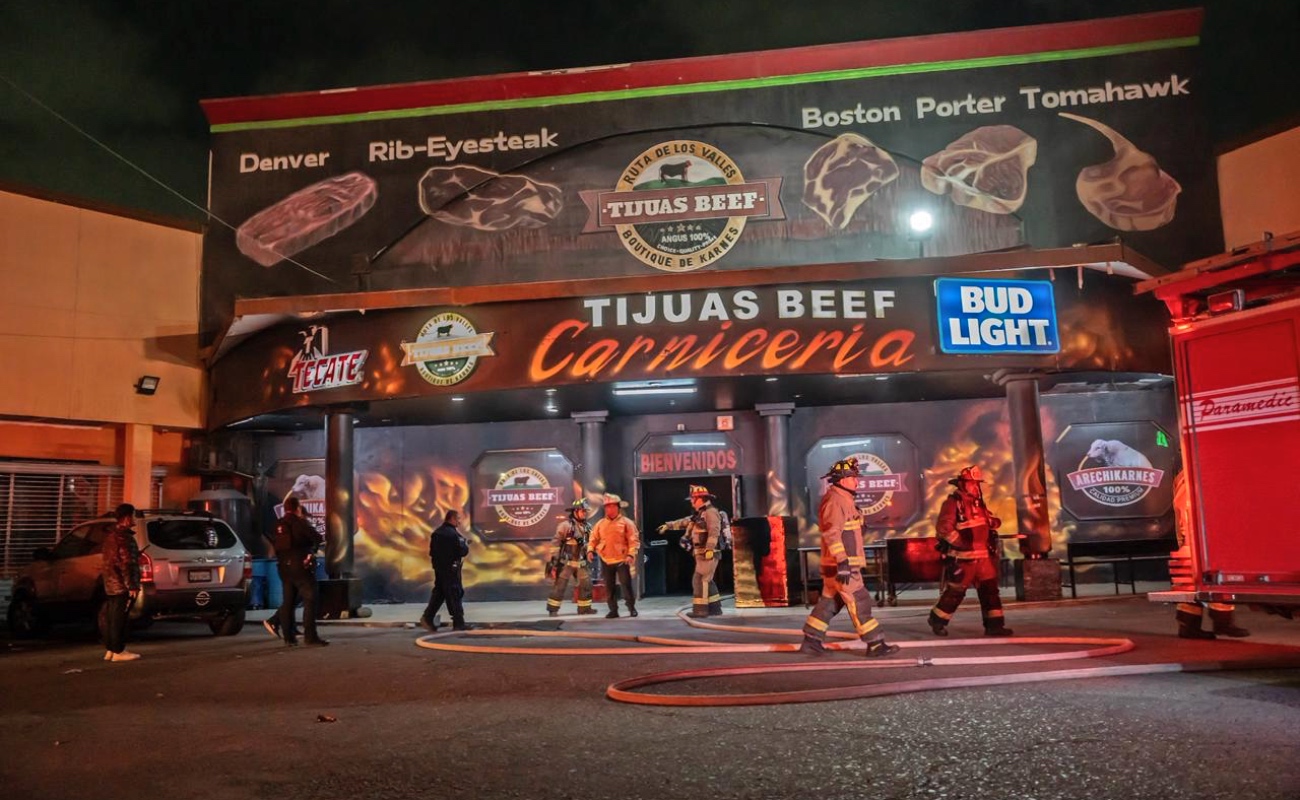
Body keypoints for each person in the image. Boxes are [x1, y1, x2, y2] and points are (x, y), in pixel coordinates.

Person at [800, 458, 900, 658]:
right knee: (860, 600)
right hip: (843, 566)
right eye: (854, 478)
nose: (857, 482)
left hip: (837, 565)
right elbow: (832, 534)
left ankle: (811, 640)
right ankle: (875, 643)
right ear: (843, 480)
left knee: (831, 601)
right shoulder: (836, 501)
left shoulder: (843, 499)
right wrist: (843, 561)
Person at [928, 466, 1012, 637]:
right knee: (955, 592)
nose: (975, 486)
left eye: (976, 483)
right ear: (962, 484)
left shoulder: (978, 503)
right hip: (963, 559)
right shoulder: (953, 503)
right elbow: (944, 528)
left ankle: (994, 626)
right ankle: (937, 620)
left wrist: (993, 522)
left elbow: (986, 522)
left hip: (983, 558)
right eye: (971, 483)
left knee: (990, 591)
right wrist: (961, 544)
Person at [1170, 471, 1249, 640]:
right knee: (1213, 580)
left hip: (1194, 539)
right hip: (1200, 538)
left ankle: (1192, 625)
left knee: (1192, 585)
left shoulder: (1187, 475)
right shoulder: (1195, 474)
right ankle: (1219, 623)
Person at [659, 485, 724, 618]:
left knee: (699, 580)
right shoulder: (700, 513)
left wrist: (710, 549)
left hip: (708, 553)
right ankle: (715, 608)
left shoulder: (711, 512)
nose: (691, 502)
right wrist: (669, 525)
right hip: (700, 552)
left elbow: (714, 532)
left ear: (699, 498)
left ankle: (700, 610)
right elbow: (685, 522)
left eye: (692, 499)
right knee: (707, 580)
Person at [274, 496, 329, 647]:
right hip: (300, 565)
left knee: (288, 602)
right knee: (310, 600)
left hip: (283, 567)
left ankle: (288, 638)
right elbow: (317, 538)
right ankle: (310, 637)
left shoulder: (279, 524)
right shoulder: (300, 523)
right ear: (298, 508)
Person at [588, 493, 640, 619]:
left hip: (622, 559)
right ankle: (613, 610)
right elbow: (593, 539)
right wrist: (590, 550)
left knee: (625, 585)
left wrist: (631, 554)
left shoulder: (627, 523)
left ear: (618, 507)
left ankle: (631, 608)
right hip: (605, 559)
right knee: (609, 587)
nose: (609, 509)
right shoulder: (600, 524)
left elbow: (634, 540)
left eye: (611, 506)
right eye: (607, 507)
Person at [101, 503, 142, 662]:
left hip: (110, 582)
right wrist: (131, 584)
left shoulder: (111, 536)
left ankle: (111, 649)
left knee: (112, 616)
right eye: (132, 516)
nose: (134, 519)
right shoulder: (124, 537)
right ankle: (119, 650)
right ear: (126, 518)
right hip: (121, 584)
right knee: (120, 618)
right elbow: (126, 563)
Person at [421, 510, 471, 632]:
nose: (459, 521)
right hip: (451, 570)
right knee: (454, 593)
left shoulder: (437, 533)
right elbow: (462, 551)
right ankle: (459, 623)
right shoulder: (453, 535)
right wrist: (465, 544)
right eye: (458, 519)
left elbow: (432, 552)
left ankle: (428, 617)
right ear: (452, 519)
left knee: (440, 593)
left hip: (439, 569)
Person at [546, 499, 596, 617]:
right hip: (566, 562)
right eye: (583, 511)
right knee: (560, 585)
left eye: (585, 511)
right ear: (575, 511)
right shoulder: (565, 526)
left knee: (586, 584)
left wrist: (588, 547)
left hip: (581, 562)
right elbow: (556, 543)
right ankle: (552, 609)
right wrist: (555, 559)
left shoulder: (588, 527)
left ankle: (584, 609)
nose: (585, 513)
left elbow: (592, 543)